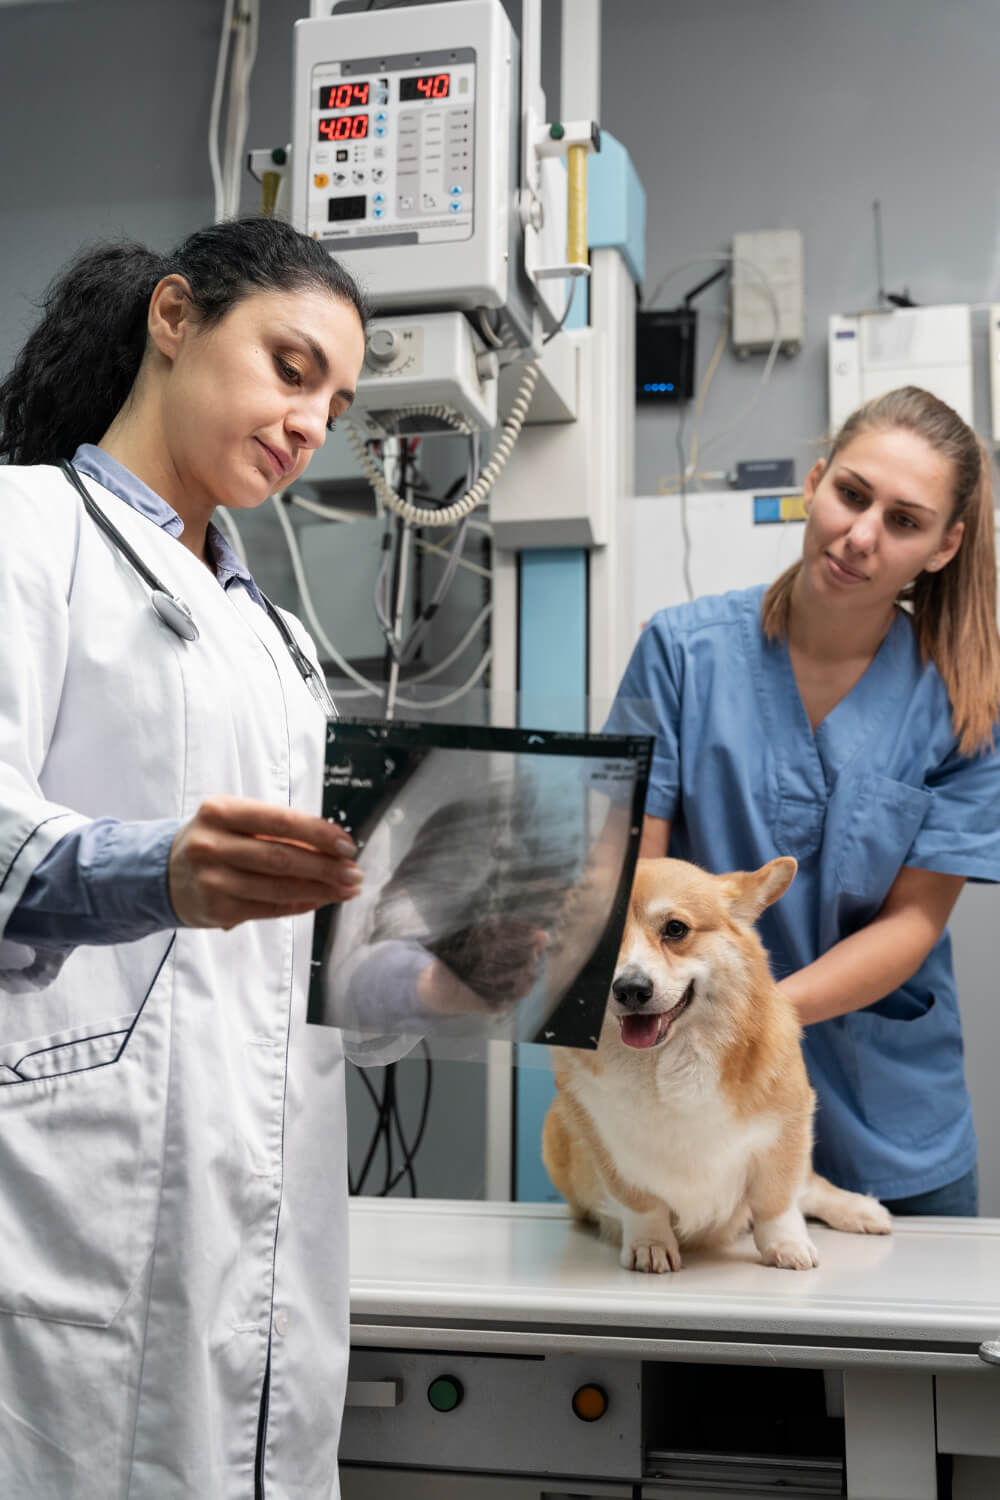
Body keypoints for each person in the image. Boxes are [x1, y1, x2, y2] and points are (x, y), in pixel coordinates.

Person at [0, 217, 394, 1498]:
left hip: (257, 1207)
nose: (307, 423)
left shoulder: (273, 641)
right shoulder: (23, 533)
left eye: (333, 404)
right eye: (291, 367)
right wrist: (150, 872)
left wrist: (431, 961)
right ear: (175, 317)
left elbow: (304, 946)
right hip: (77, 1181)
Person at [610, 386, 1000, 1216]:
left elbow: (915, 921)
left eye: (904, 521)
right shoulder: (681, 656)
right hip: (689, 1099)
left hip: (889, 1108)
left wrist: (757, 1014)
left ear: (944, 546)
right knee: (715, 1342)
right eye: (851, 495)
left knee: (915, 1342)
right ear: (816, 481)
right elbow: (628, 881)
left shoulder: (964, 701)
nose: (861, 537)